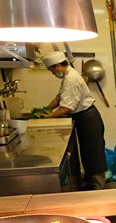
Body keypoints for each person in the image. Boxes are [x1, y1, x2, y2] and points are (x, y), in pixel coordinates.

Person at [42, 51, 108, 190]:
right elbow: (59, 98)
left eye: (52, 70)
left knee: (94, 153)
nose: (53, 74)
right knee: (87, 153)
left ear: (57, 66)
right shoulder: (67, 76)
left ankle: (99, 187)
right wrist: (46, 109)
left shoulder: (71, 78)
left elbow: (66, 108)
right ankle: (92, 183)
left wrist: (47, 118)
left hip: (89, 119)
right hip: (83, 119)